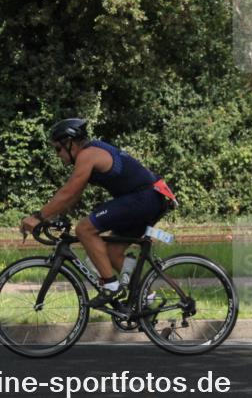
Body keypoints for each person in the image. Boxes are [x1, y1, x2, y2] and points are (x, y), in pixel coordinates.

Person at [19, 118, 177, 307]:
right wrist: (50, 216)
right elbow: (72, 195)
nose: (57, 155)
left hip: (144, 198)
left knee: (85, 229)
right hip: (150, 198)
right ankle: (146, 298)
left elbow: (69, 191)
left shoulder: (88, 155)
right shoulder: (91, 152)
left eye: (58, 149)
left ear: (69, 143)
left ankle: (111, 286)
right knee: (112, 252)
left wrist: (38, 217)